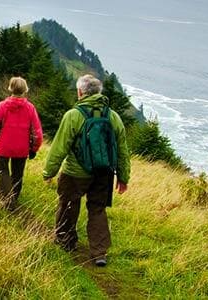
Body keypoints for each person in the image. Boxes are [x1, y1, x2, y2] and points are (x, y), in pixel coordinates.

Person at [42, 74, 131, 267]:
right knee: (97, 210)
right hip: (104, 173)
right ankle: (99, 253)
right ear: (99, 93)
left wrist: (49, 172)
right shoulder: (113, 116)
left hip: (75, 172)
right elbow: (122, 150)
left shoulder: (73, 115)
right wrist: (123, 177)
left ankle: (66, 242)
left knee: (68, 205)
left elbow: (59, 147)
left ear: (80, 92)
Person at [0, 77, 43, 212]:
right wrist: (34, 148)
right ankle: (13, 199)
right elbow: (37, 132)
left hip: (3, 147)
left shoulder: (2, 106)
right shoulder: (30, 108)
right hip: (22, 148)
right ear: (25, 90)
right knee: (17, 174)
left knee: (2, 171)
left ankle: (8, 200)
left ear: (10, 88)